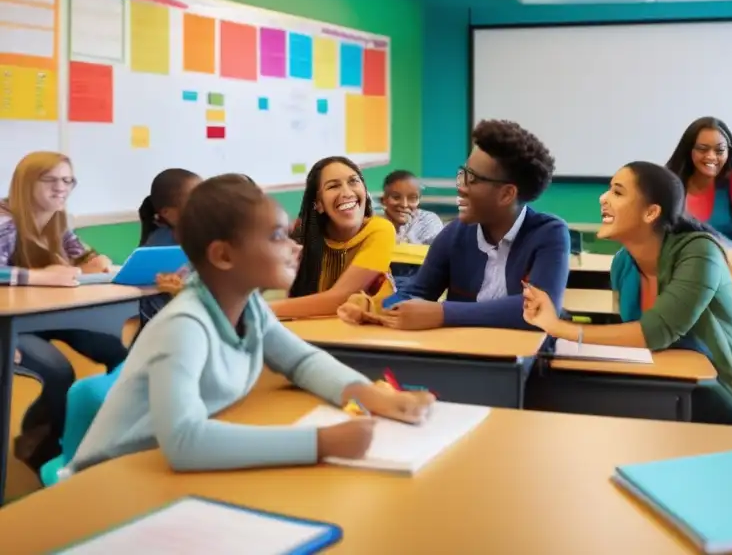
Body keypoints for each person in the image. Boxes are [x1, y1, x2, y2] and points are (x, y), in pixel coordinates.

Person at [66, 174, 433, 476]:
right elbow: (184, 442)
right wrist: (321, 443)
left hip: (161, 469)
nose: (294, 247)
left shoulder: (250, 307)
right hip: (111, 480)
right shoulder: (184, 325)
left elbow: (301, 362)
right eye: (276, 236)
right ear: (224, 256)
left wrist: (376, 398)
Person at [522, 161, 732, 421]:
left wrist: (556, 326)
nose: (603, 198)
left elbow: (654, 333)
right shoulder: (622, 264)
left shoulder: (699, 252)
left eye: (617, 192)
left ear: (651, 212)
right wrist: (563, 320)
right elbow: (631, 338)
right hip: (677, 384)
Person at [375, 119, 569, 331]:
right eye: (462, 174)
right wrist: (374, 307)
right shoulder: (454, 234)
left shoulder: (549, 233)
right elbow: (417, 294)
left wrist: (443, 312)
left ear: (506, 194)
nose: (461, 187)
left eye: (472, 179)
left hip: (523, 359)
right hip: (464, 355)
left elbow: (540, 311)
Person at [1, 152, 127, 472]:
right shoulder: (6, 220)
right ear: (27, 184)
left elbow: (81, 253)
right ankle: (39, 442)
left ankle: (102, 431)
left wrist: (96, 261)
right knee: (57, 372)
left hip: (45, 313)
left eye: (68, 180)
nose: (62, 188)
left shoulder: (57, 218)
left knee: (119, 352)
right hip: (10, 322)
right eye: (51, 180)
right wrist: (40, 276)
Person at [274, 157, 395, 319]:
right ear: (319, 204)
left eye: (353, 182)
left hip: (367, 336)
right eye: (333, 186)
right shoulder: (303, 234)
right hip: (314, 332)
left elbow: (341, 297)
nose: (347, 193)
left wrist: (263, 310)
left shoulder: (381, 230)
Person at [666, 117, 732, 251]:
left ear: (729, 151)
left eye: (719, 150)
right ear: (688, 150)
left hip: (729, 265)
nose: (711, 156)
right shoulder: (671, 182)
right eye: (702, 149)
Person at [136, 168, 202, 330]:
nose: (207, 204)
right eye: (195, 200)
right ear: (168, 213)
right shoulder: (158, 248)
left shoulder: (206, 237)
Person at [380, 170, 443, 246]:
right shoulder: (374, 224)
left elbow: (436, 253)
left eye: (412, 198)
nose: (404, 205)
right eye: (396, 197)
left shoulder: (428, 221)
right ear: (383, 200)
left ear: (418, 201)